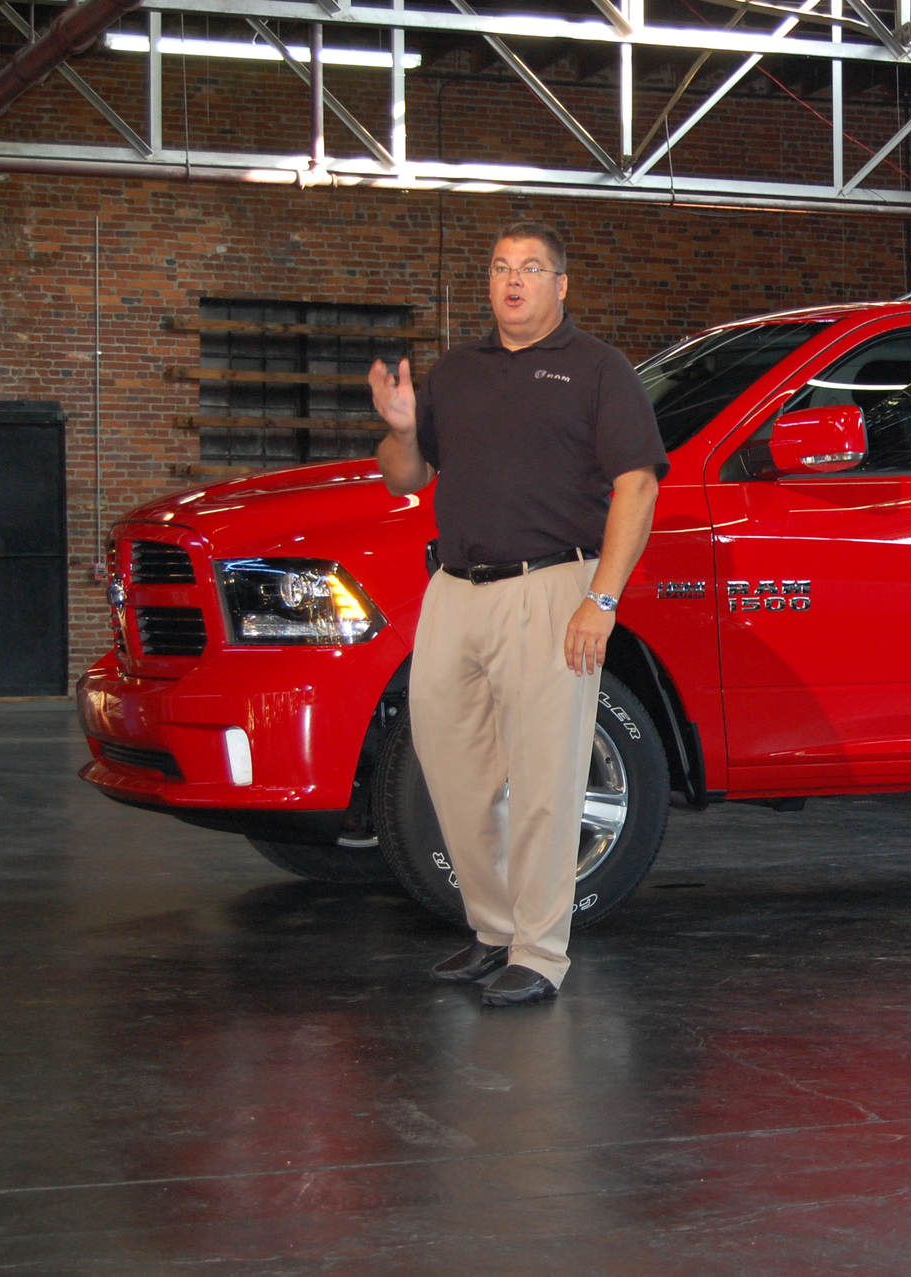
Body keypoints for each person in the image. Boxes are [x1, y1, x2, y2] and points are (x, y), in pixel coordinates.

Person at [368, 221, 666, 1007]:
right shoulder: (456, 372)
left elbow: (638, 486)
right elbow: (406, 477)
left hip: (552, 588)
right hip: (454, 590)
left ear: (560, 285)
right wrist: (400, 429)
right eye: (501, 267)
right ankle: (494, 929)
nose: (513, 280)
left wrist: (601, 599)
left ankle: (539, 950)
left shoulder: (599, 371)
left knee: (544, 778)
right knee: (451, 766)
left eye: (531, 268)